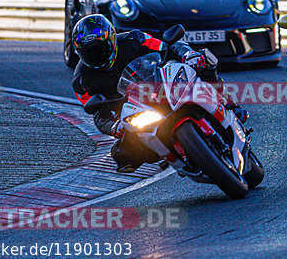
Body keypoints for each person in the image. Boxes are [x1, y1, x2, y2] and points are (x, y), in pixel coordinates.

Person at [71, 14, 244, 172]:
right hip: (134, 108)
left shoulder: (134, 38)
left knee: (203, 63)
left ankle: (229, 104)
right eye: (88, 52)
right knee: (122, 154)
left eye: (98, 49)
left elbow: (166, 47)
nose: (94, 56)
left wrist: (188, 55)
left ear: (111, 40)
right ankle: (167, 153)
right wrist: (114, 126)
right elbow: (96, 112)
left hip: (160, 83)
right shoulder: (81, 81)